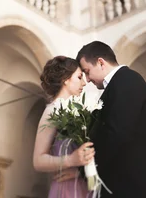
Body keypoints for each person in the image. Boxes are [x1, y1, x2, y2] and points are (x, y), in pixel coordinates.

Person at [77, 41, 146, 198]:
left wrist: (85, 171)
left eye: (87, 71)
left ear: (100, 62)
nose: (88, 79)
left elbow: (116, 134)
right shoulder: (117, 85)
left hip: (133, 187)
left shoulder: (126, 80)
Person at [33, 56, 95, 198]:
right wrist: (71, 160)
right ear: (65, 79)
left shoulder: (79, 112)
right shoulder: (51, 111)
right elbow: (38, 161)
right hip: (67, 190)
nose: (84, 82)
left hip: (87, 186)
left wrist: (83, 172)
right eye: (80, 77)